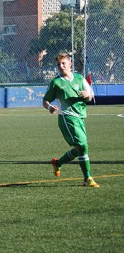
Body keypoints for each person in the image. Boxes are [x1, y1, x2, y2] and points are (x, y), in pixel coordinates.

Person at [43, 52, 99, 188]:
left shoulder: (79, 78)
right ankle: (87, 178)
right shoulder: (56, 83)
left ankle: (57, 163)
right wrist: (50, 107)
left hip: (80, 116)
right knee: (83, 146)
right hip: (66, 118)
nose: (61, 66)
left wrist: (87, 95)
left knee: (78, 148)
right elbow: (45, 101)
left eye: (63, 63)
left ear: (70, 64)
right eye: (58, 64)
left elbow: (90, 96)